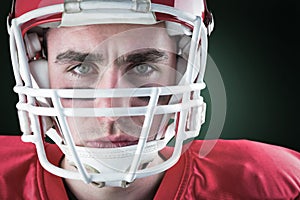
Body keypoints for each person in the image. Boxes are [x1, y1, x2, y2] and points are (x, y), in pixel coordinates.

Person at [2, 0, 299, 199]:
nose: (111, 114)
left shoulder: (271, 185)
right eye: (80, 68)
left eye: (142, 67)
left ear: (182, 72)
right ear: (38, 73)